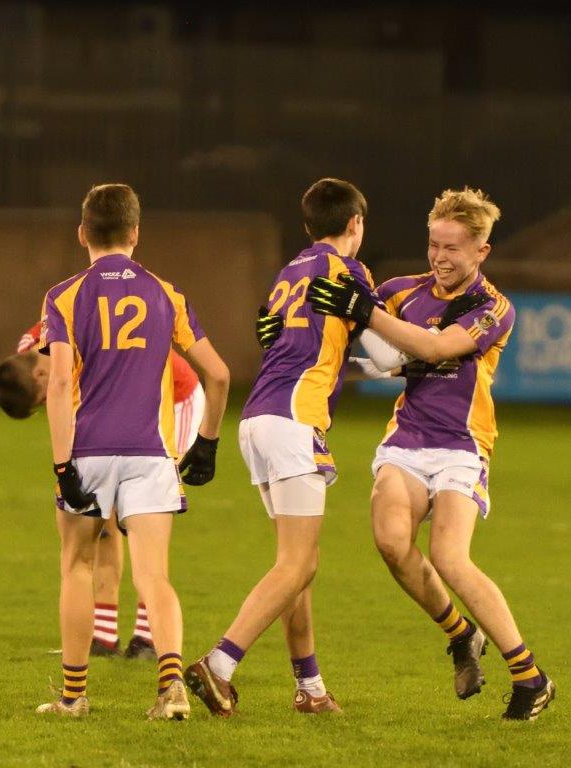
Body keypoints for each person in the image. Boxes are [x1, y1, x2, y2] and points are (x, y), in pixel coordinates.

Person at [306, 187, 555, 721]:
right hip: (408, 438)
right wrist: (285, 333)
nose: (440, 258)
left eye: (453, 249)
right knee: (392, 542)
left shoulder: (494, 308)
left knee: (449, 556)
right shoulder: (401, 292)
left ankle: (530, 676)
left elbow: (439, 349)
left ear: (481, 253)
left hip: (463, 446)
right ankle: (461, 634)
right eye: (434, 245)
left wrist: (368, 317)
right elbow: (348, 335)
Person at [35, 183, 230, 719]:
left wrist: (61, 463)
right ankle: (170, 690)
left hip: (89, 450)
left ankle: (74, 697)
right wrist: (207, 443)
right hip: (151, 452)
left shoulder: (64, 296)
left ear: (82, 234)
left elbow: (55, 387)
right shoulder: (167, 294)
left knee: (76, 564)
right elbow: (218, 374)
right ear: (136, 234)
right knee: (154, 576)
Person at [186, 177, 378, 718]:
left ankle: (311, 689)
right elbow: (386, 354)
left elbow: (295, 347)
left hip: (258, 420)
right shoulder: (350, 272)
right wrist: (419, 361)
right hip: (295, 421)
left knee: (298, 563)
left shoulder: (288, 273)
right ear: (355, 224)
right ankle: (218, 665)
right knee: (297, 563)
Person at [0, 322, 206, 660]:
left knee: (144, 522)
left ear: (40, 378)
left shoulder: (74, 353)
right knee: (101, 520)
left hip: (173, 400)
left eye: (42, 399)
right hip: (124, 413)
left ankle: (148, 638)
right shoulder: (35, 352)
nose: (47, 403)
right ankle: (104, 634)